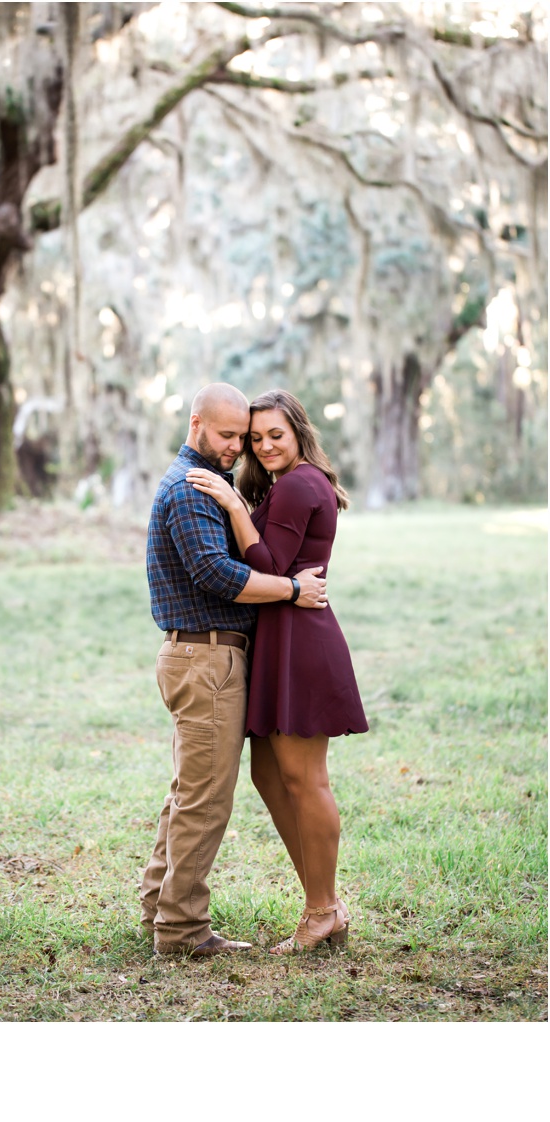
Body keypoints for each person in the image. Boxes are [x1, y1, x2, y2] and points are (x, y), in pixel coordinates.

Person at [140, 383, 330, 958]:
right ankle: (180, 931)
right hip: (207, 659)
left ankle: (158, 908)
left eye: (241, 438)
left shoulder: (209, 483)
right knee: (205, 799)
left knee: (188, 793)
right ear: (196, 423)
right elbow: (219, 575)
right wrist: (294, 588)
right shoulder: (192, 489)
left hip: (204, 657)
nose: (236, 449)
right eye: (230, 436)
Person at [186, 388, 367, 954]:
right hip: (281, 637)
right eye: (254, 438)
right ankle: (326, 902)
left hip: (299, 640)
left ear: (298, 432)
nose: (262, 446)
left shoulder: (297, 483)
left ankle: (320, 911)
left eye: (274, 436)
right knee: (269, 774)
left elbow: (269, 567)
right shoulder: (290, 483)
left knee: (305, 779)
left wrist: (236, 509)